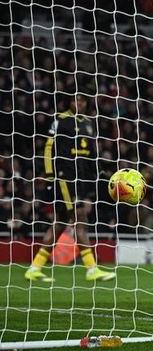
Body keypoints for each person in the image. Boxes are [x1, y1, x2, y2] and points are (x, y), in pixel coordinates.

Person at [25, 90, 117, 282]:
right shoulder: (61, 120)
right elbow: (49, 147)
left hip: (81, 178)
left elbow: (92, 152)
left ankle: (35, 268)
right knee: (80, 218)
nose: (80, 103)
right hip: (65, 177)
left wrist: (97, 172)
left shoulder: (87, 123)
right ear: (70, 101)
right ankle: (92, 269)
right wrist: (50, 176)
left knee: (59, 224)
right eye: (76, 100)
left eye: (83, 100)